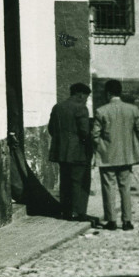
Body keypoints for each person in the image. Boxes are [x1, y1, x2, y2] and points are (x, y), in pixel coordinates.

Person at [92, 79, 139, 231]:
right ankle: (127, 221)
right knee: (125, 188)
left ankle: (111, 221)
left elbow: (95, 134)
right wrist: (132, 143)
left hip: (107, 155)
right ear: (120, 92)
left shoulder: (101, 111)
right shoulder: (132, 109)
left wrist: (99, 147)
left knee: (109, 188)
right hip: (127, 155)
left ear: (108, 93)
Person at [48, 82, 93, 222]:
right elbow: (84, 132)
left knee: (65, 181)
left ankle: (66, 211)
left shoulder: (57, 107)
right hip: (78, 152)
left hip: (61, 151)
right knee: (79, 182)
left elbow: (51, 128)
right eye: (86, 97)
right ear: (80, 95)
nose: (86, 100)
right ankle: (77, 212)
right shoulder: (81, 108)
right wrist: (89, 144)